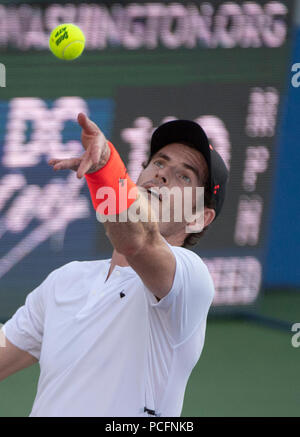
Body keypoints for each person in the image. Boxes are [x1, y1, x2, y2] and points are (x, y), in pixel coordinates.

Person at [0, 114, 228, 417]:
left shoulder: (190, 281)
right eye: (159, 163)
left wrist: (104, 171)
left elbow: (137, 241)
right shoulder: (65, 281)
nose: (162, 175)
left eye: (184, 177)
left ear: (199, 218)